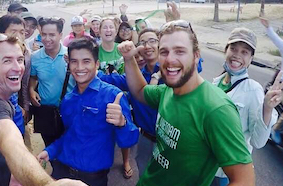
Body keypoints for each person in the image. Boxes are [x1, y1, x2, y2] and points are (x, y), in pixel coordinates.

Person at [118, 20, 255, 186]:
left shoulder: (217, 109)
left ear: (196, 55)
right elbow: (140, 91)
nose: (170, 59)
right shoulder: (167, 91)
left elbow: (244, 179)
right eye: (164, 52)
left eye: (180, 51)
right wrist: (129, 58)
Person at [0, 35, 87, 186]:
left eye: (20, 60)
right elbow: (11, 143)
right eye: (7, 60)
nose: (17, 67)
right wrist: (47, 184)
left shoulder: (1, 98)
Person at [37, 38, 139, 186]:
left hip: (92, 178)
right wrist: (49, 151)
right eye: (74, 61)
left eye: (86, 61)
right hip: (61, 171)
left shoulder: (112, 96)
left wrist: (122, 123)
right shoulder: (69, 98)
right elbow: (69, 135)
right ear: (69, 64)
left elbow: (129, 141)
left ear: (96, 64)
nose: (79, 67)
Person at [211, 27, 281, 186]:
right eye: (233, 49)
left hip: (226, 173)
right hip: (206, 165)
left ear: (251, 58)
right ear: (225, 50)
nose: (237, 55)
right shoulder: (216, 82)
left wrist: (268, 109)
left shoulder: (253, 90)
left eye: (245, 52)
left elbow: (258, 142)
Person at [98, 28, 162, 177]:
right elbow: (110, 79)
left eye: (152, 41)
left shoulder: (172, 72)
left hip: (168, 140)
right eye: (143, 42)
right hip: (146, 137)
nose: (147, 46)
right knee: (144, 172)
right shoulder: (134, 75)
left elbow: (194, 66)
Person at [29, 17, 75, 146]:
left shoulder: (71, 55)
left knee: (70, 149)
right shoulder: (35, 58)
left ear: (60, 35)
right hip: (46, 114)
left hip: (70, 112)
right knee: (51, 151)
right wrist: (31, 90)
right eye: (44, 34)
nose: (47, 38)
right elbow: (33, 78)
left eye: (52, 35)